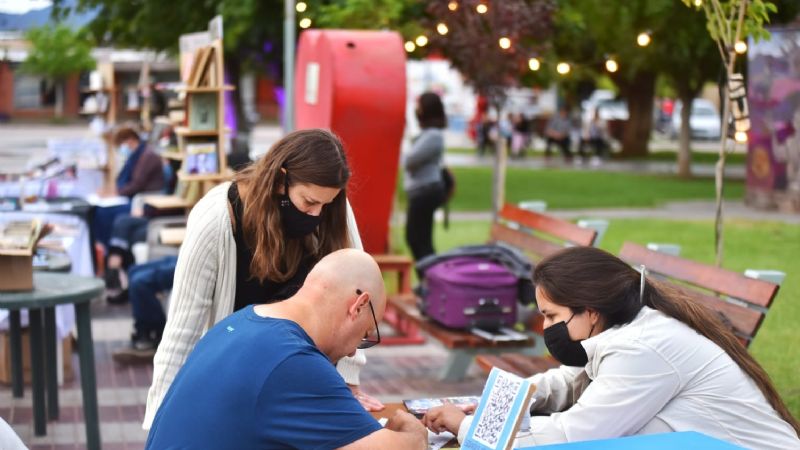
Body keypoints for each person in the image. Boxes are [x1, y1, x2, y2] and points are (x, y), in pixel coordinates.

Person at [423, 247, 800, 448]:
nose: (545, 328)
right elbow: (572, 380)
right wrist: (508, 403)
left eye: (552, 316)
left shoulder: (641, 349)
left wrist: (466, 426)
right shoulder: (627, 329)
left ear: (589, 310)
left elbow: (572, 437)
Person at [144, 129, 382, 429]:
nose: (316, 213)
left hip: (306, 374)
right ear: (281, 180)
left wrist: (348, 380)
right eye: (308, 202)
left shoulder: (331, 204)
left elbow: (357, 294)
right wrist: (160, 421)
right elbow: (182, 329)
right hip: (235, 379)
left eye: (325, 204)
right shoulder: (216, 217)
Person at [145, 249, 428, 449]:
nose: (355, 352)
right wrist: (412, 428)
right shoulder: (293, 360)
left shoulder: (242, 322)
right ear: (358, 306)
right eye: (365, 335)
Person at [403, 92, 447, 269]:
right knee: (419, 239)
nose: (416, 110)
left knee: (417, 238)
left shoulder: (434, 136)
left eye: (419, 107)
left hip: (425, 192)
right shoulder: (426, 134)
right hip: (421, 192)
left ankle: (430, 278)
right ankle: (429, 280)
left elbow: (410, 160)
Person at [111, 255, 178, 363]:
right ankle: (143, 331)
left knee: (139, 283)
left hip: (193, 262)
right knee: (133, 270)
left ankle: (153, 335)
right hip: (181, 256)